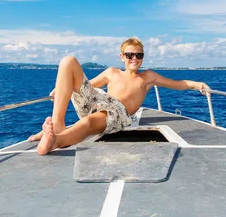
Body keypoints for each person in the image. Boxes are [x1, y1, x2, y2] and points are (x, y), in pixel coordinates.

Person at [29, 37, 210, 155]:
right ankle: (58, 125)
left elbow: (177, 84)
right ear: (122, 56)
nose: (134, 58)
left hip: (118, 113)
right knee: (68, 61)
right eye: (130, 54)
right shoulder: (111, 72)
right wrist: (60, 88)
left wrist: (198, 84)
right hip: (98, 101)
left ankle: (54, 141)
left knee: (87, 123)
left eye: (139, 55)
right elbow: (85, 86)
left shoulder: (147, 77)